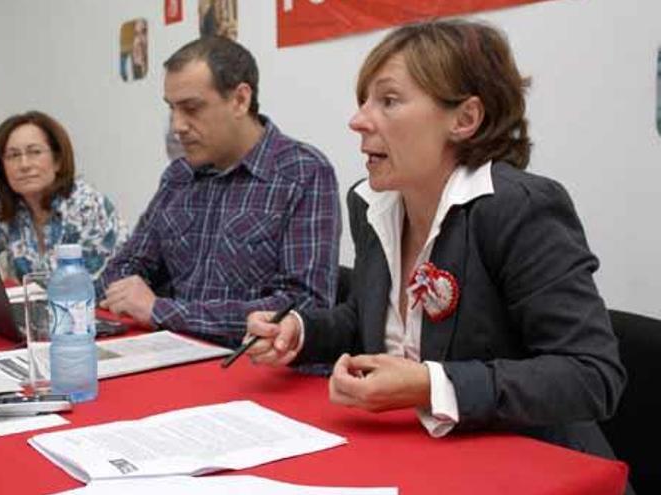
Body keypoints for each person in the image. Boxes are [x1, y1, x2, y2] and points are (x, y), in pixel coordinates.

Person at [244, 19, 626, 460]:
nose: (357, 120)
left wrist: (431, 385)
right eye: (363, 101)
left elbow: (592, 375)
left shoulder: (520, 209)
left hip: (534, 465)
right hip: (420, 453)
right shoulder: (371, 203)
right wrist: (302, 332)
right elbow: (371, 319)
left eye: (388, 100)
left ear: (464, 119)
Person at [98, 36, 341, 348]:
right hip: (173, 356)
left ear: (240, 99)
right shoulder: (179, 176)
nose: (177, 126)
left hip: (255, 369)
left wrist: (162, 310)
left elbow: (303, 308)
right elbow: (123, 268)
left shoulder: (303, 173)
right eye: (172, 109)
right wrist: (134, 294)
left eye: (191, 108)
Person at [0, 111, 127, 281]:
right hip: (32, 305)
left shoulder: (87, 206)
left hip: (94, 305)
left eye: (35, 152)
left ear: (57, 160)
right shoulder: (1, 203)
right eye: (13, 155)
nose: (24, 165)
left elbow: (81, 286)